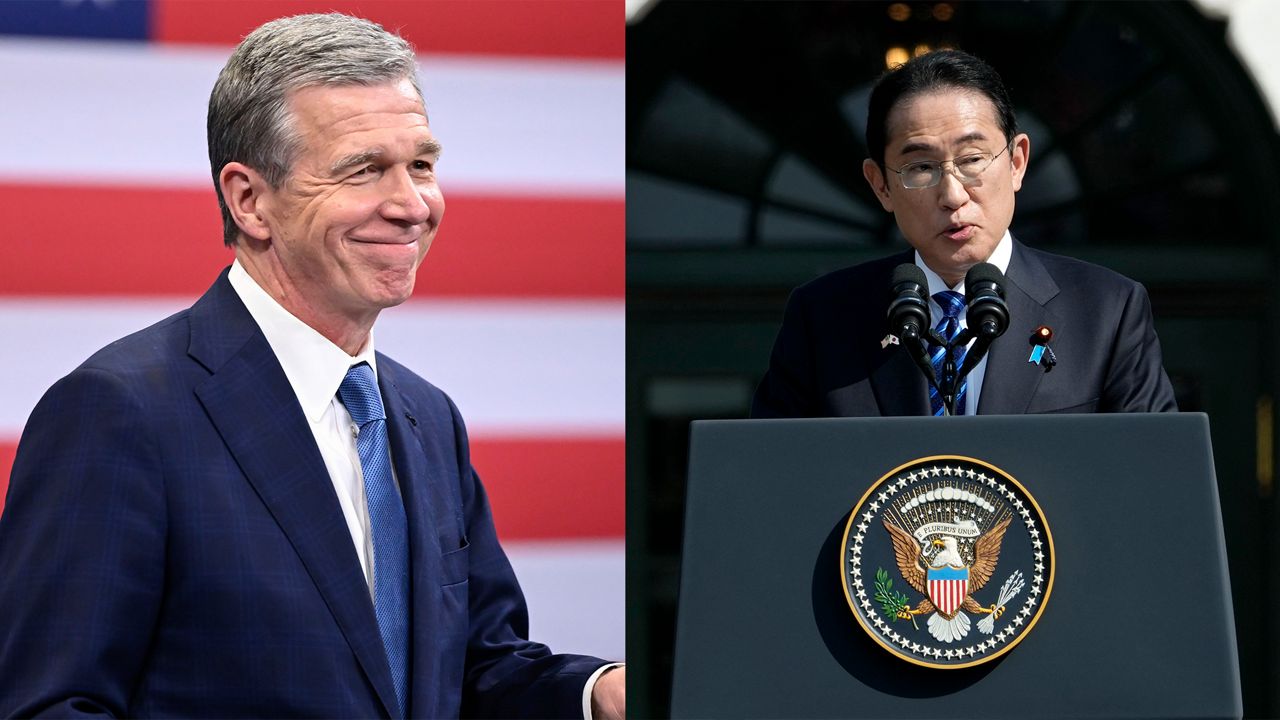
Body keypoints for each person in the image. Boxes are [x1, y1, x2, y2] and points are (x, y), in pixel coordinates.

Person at [0, 14, 624, 719]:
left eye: (420, 164)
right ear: (250, 200)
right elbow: (49, 704)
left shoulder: (426, 417)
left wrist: (597, 695)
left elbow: (474, 666)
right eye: (364, 170)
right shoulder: (119, 412)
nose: (412, 204)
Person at [751, 49, 1176, 418]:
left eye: (972, 159)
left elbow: (1153, 478)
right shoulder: (823, 318)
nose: (952, 195)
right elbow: (772, 479)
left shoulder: (1105, 311)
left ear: (1016, 162)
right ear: (880, 184)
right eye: (921, 167)